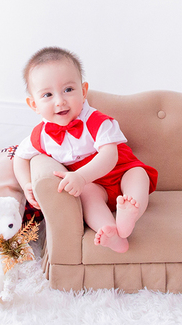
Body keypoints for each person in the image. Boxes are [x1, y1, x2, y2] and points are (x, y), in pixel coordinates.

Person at [12, 47, 157, 253]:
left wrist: (80, 176)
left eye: (68, 90)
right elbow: (19, 157)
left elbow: (109, 156)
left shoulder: (97, 121)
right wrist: (26, 183)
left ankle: (130, 215)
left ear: (83, 91)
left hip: (122, 171)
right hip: (93, 185)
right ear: (34, 104)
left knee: (138, 175)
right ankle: (111, 232)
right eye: (48, 94)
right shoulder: (41, 135)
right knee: (87, 196)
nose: (60, 101)